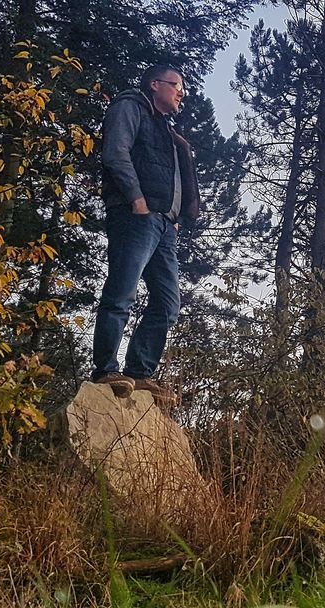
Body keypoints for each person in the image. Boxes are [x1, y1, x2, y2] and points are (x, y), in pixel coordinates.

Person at [91, 64, 200, 405]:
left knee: (168, 303)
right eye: (176, 85)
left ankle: (139, 373)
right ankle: (106, 369)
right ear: (155, 85)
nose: (181, 92)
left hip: (165, 225)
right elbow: (116, 153)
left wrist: (176, 218)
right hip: (136, 216)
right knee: (121, 292)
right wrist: (137, 200)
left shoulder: (165, 129)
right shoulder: (130, 107)